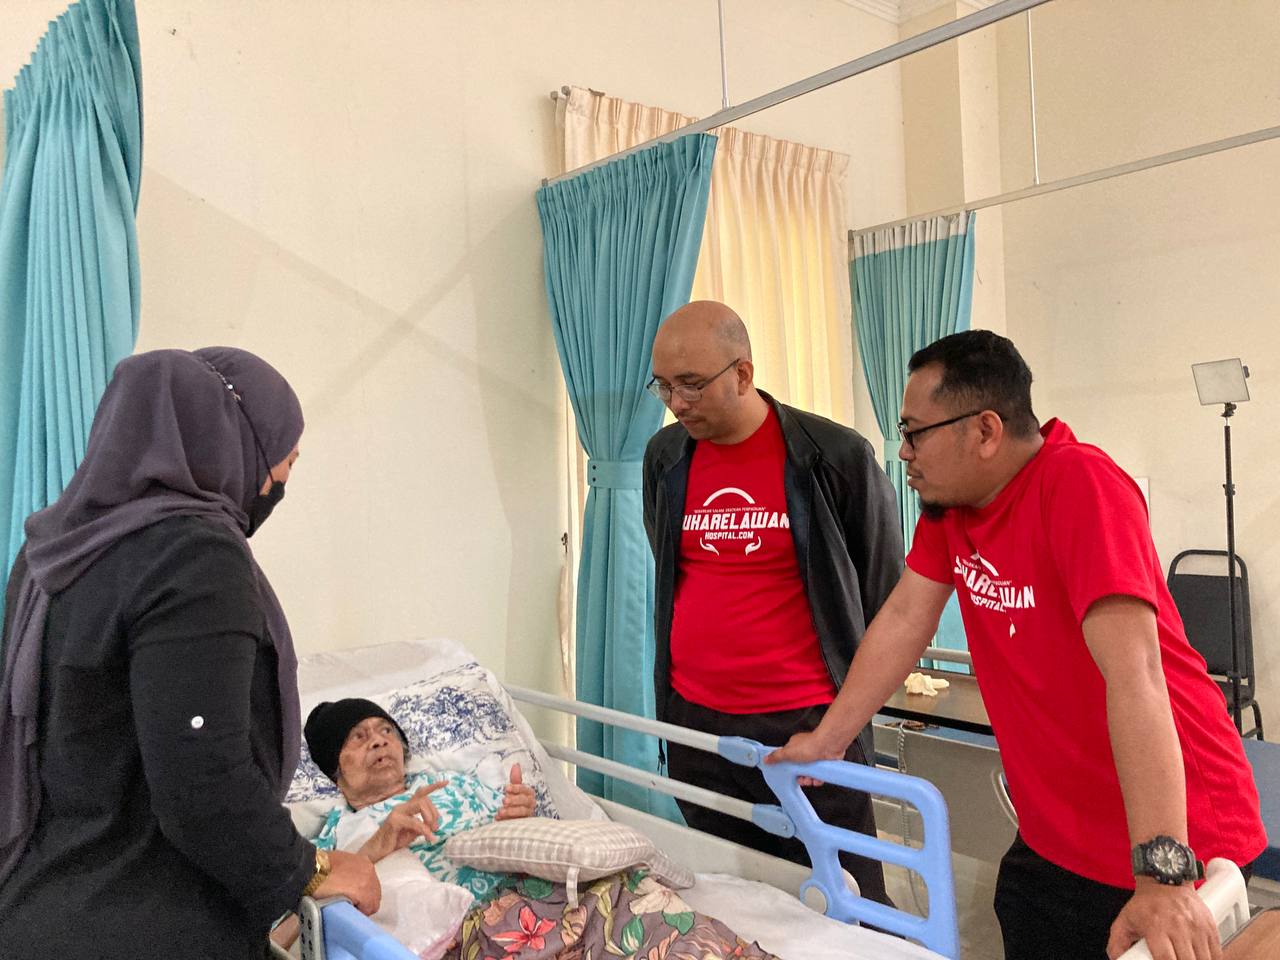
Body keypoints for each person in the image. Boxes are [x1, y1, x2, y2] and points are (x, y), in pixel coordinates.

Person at [768, 330, 1267, 960]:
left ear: (985, 430)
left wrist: (1163, 874)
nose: (904, 452)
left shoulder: (1080, 485)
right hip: (1055, 833)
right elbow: (904, 619)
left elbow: (1137, 675)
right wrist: (829, 739)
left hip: (1174, 830)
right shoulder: (953, 509)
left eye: (915, 432)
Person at [0, 348, 379, 960]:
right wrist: (309, 868)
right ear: (235, 442)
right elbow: (202, 779)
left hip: (43, 899)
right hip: (146, 917)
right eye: (286, 459)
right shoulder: (194, 557)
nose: (280, 480)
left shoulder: (51, 553)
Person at [642, 300, 903, 904]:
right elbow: (672, 571)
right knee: (732, 899)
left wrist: (841, 725)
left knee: (848, 902)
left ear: (743, 373)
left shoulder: (832, 456)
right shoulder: (665, 458)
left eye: (691, 384)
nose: (676, 403)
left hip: (808, 725)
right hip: (697, 724)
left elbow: (887, 597)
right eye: (663, 386)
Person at [294, 698, 783, 960]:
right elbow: (288, 930)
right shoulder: (338, 833)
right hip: (486, 927)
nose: (380, 742)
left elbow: (533, 842)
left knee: (635, 896)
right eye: (359, 737)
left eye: (386, 732)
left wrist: (520, 815)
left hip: (551, 888)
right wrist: (376, 846)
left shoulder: (458, 785)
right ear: (335, 767)